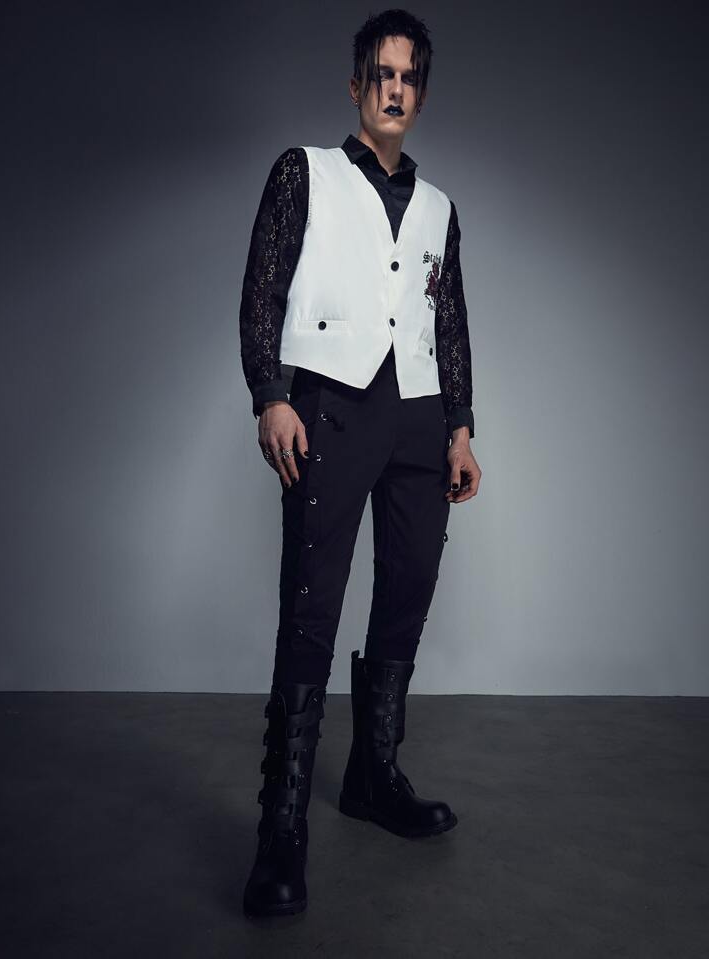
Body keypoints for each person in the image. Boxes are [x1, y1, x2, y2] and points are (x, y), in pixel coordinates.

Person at [238, 8, 481, 918]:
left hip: (419, 418)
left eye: (409, 76)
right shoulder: (303, 172)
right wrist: (270, 393)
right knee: (311, 604)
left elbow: (450, 324)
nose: (395, 88)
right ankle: (282, 831)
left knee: (408, 588)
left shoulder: (441, 208)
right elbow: (262, 288)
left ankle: (374, 776)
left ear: (422, 93)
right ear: (356, 85)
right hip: (330, 408)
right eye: (382, 72)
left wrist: (461, 427)